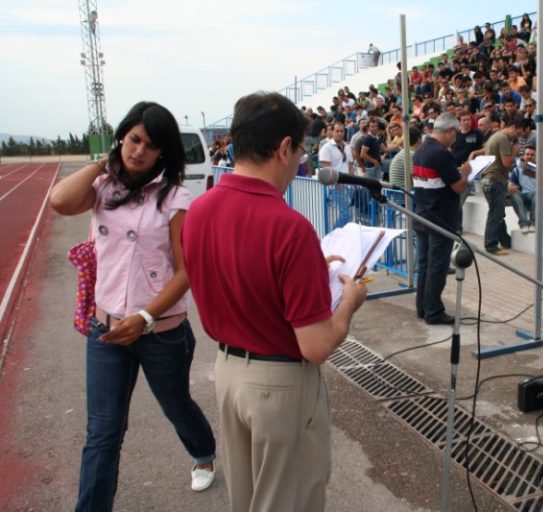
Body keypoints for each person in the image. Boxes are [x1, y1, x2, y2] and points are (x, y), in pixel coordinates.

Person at [182, 92, 367, 512]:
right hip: (279, 385)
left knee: (248, 501)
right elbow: (317, 345)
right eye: (300, 151)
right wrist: (349, 301)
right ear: (284, 148)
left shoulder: (199, 210)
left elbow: (237, 273)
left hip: (228, 373)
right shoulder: (289, 228)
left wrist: (305, 268)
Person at [49, 102, 217, 511]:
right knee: (103, 433)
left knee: (175, 405)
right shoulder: (105, 188)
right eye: (134, 139)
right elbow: (59, 201)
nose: (139, 150)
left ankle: (203, 451)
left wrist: (145, 317)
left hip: (160, 332)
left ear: (163, 153)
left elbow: (186, 272)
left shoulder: (175, 198)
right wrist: (101, 165)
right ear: (122, 136)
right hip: (105, 329)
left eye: (151, 145)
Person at [413, 113, 470, 325]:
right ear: (450, 131)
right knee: (437, 267)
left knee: (425, 265)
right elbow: (459, 187)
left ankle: (423, 307)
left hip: (423, 215)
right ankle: (434, 312)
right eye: (454, 135)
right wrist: (465, 173)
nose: (454, 140)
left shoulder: (420, 151)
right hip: (440, 219)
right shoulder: (440, 153)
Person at [479, 113, 524, 255]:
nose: (517, 137)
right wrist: (515, 152)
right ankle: (491, 245)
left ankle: (504, 240)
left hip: (488, 179)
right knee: (496, 213)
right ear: (513, 127)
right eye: (517, 133)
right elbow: (506, 163)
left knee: (498, 212)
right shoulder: (504, 139)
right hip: (495, 179)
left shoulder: (495, 136)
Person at [319, 121, 354, 229]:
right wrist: (337, 182)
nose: (339, 133)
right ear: (332, 132)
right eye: (337, 131)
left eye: (342, 131)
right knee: (346, 214)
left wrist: (354, 182)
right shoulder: (326, 148)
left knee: (349, 216)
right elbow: (327, 169)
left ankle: (340, 239)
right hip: (336, 186)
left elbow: (350, 166)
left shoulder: (347, 147)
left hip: (348, 185)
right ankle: (332, 237)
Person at [509, 144, 537, 234]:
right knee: (514, 194)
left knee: (537, 194)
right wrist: (510, 186)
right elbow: (511, 184)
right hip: (522, 194)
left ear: (536, 156)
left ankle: (533, 223)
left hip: (534, 194)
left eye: (532, 155)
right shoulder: (517, 170)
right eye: (527, 154)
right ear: (524, 155)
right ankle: (524, 224)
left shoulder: (542, 169)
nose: (529, 157)